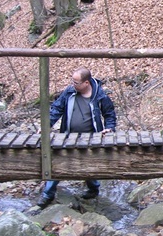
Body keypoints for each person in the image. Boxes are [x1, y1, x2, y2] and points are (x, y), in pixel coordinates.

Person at [37, 67, 117, 208]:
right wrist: (46, 125)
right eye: (72, 81)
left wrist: (109, 128)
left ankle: (93, 189)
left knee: (88, 166)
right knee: (57, 164)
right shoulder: (69, 92)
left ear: (86, 83)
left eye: (76, 82)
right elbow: (56, 109)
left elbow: (109, 113)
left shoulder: (100, 95)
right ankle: (47, 194)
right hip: (67, 136)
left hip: (92, 138)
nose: (73, 84)